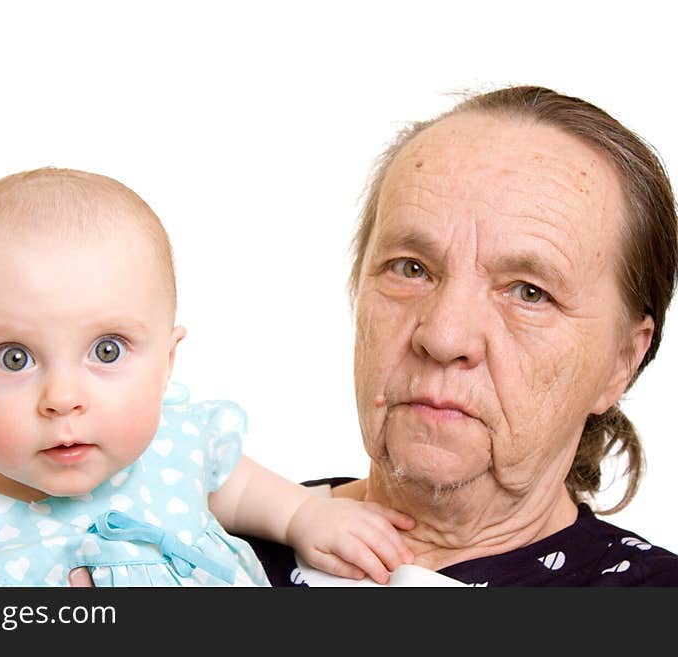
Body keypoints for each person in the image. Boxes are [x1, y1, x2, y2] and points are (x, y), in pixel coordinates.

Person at [0, 168, 415, 587]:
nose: (63, 399)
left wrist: (305, 517)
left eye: (106, 350)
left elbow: (236, 487)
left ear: (167, 361)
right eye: (14, 358)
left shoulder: (176, 450)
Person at [247, 85, 678, 586]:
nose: (445, 337)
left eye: (529, 292)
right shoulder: (189, 542)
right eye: (411, 268)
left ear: (621, 360)